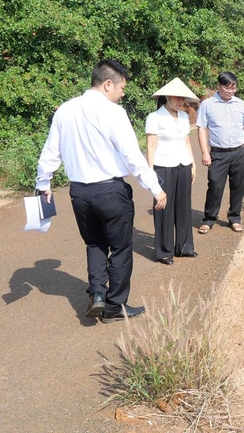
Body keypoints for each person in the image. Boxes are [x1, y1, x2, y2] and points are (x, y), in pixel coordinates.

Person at [35, 59, 167, 324]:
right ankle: (114, 306)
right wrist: (156, 187)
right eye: (121, 88)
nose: (122, 94)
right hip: (110, 192)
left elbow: (50, 152)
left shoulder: (65, 110)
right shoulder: (113, 113)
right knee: (120, 248)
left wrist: (43, 185)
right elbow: (132, 155)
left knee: (94, 243)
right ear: (108, 84)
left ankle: (97, 293)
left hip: (79, 194)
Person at [146, 78, 199, 265]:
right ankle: (164, 251)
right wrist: (151, 172)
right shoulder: (154, 117)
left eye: (183, 98)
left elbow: (186, 141)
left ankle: (184, 247)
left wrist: (192, 164)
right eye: (177, 97)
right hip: (163, 166)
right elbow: (151, 146)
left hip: (183, 164)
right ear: (167, 96)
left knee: (184, 206)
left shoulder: (184, 116)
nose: (181, 101)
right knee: (164, 209)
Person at [196, 71, 244, 234]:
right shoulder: (207, 105)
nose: (230, 91)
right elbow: (202, 128)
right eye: (227, 88)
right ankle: (208, 219)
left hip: (240, 151)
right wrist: (204, 152)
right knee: (215, 185)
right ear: (219, 86)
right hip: (218, 154)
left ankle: (235, 218)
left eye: (233, 88)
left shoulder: (240, 104)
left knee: (239, 186)